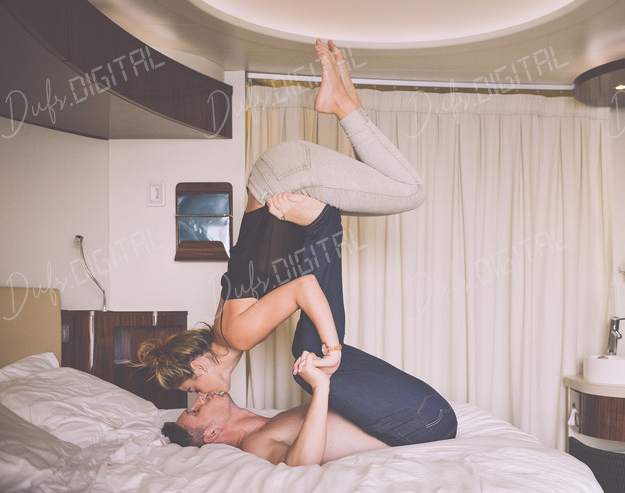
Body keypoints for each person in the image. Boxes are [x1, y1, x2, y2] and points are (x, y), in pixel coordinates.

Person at [138, 40, 456, 448]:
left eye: (192, 388)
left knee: (410, 191)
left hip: (285, 178)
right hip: (275, 178)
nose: (201, 395)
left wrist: (333, 348)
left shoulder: (237, 335)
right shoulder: (222, 323)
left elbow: (304, 285)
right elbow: (252, 263)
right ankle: (344, 98)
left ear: (200, 363)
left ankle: (341, 103)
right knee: (385, 186)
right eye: (195, 399)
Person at [164, 351, 388, 466]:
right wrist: (320, 387)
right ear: (211, 434)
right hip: (396, 430)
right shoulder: (254, 443)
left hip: (383, 413)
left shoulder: (271, 422)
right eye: (196, 411)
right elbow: (301, 465)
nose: (200, 398)